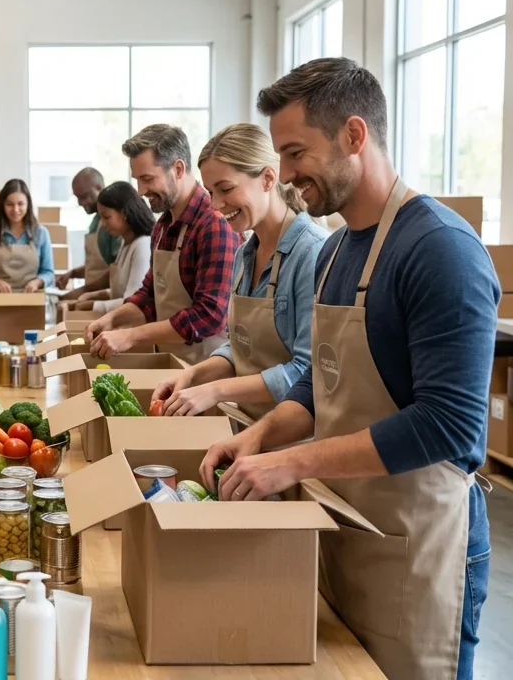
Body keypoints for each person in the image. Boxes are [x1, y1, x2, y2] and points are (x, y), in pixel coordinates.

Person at [200, 58, 497, 680]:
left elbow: (451, 425)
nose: (284, 174)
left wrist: (294, 461)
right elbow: (319, 382)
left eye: (296, 152)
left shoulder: (441, 250)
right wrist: (259, 436)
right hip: (348, 525)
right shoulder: (336, 250)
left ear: (354, 136)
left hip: (420, 546)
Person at [151, 124, 326, 422]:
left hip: (291, 443)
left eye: (226, 189)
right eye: (210, 192)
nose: (216, 206)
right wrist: (193, 376)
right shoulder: (244, 254)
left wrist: (216, 391)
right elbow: (239, 349)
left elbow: (307, 374)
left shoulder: (312, 254)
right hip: (244, 426)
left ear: (268, 178)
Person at [84, 124, 240, 363]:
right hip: (172, 363)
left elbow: (209, 315)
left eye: (147, 179)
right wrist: (113, 319)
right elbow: (149, 296)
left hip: (207, 371)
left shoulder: (213, 224)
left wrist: (131, 336)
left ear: (178, 169)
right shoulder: (163, 226)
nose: (140, 191)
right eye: (137, 180)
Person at [70, 181, 153, 314]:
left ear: (124, 213)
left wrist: (93, 305)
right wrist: (96, 295)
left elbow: (133, 301)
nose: (102, 224)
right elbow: (122, 290)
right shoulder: (125, 244)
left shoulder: (142, 245)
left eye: (107, 217)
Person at [0, 179, 56, 292]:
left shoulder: (41, 233)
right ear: (2, 205)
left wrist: (37, 282)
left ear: (28, 204)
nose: (15, 209)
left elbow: (48, 273)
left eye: (20, 204)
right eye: (10, 204)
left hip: (33, 300)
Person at [56, 168, 122, 299]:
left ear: (100, 188)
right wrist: (73, 273)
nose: (80, 203)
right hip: (92, 297)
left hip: (108, 298)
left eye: (84, 196)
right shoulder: (95, 222)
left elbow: (117, 270)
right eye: (77, 198)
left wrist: (84, 291)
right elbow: (97, 266)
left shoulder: (114, 223)